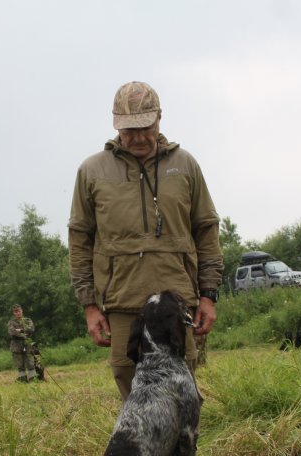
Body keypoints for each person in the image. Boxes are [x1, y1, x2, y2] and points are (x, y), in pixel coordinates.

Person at [68, 80, 223, 401]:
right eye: (129, 130)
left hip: (177, 301)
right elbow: (80, 240)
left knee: (181, 390)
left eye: (145, 128)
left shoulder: (185, 165)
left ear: (159, 118)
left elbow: (206, 230)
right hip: (121, 301)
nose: (138, 137)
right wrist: (89, 306)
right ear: (115, 125)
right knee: (131, 390)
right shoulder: (92, 171)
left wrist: (208, 296)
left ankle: (181, 436)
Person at [7, 304, 38, 383]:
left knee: (30, 362)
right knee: (20, 364)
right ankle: (23, 380)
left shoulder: (27, 320)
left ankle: (33, 380)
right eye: (15, 312)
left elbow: (31, 329)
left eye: (19, 311)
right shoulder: (11, 322)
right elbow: (12, 332)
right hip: (16, 344)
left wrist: (20, 330)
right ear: (14, 313)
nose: (17, 313)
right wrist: (24, 333)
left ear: (22, 311)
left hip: (27, 343)